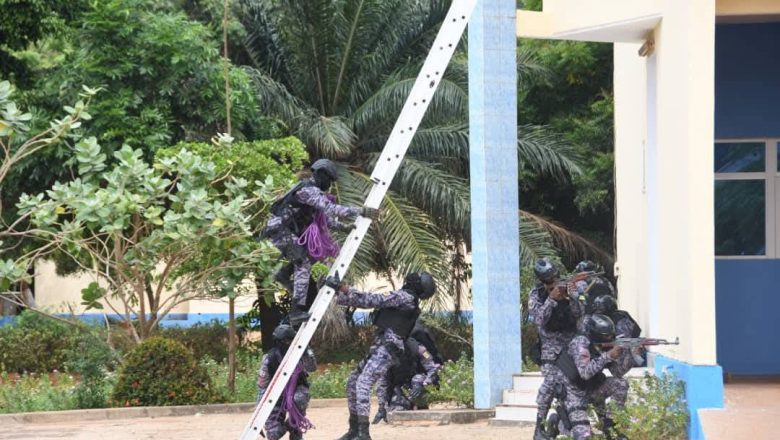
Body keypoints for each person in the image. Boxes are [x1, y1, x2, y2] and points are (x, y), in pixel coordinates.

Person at [261, 159, 379, 325]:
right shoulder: (308, 190)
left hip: (285, 231)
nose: (329, 185)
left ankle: (284, 273)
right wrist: (361, 211)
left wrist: (343, 227)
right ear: (321, 175)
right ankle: (296, 312)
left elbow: (323, 218)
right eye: (329, 180)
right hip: (280, 230)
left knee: (312, 256)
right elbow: (331, 209)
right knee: (302, 263)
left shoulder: (313, 191)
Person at [331, 272, 436, 440]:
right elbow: (363, 300)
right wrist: (339, 293)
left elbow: (373, 300)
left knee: (363, 383)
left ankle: (363, 434)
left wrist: (342, 288)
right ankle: (354, 429)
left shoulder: (405, 297)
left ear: (417, 286)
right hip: (379, 347)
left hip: (387, 350)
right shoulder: (406, 298)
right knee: (352, 382)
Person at [528, 258, 586, 440]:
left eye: (554, 280)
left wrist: (572, 295)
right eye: (548, 282)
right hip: (550, 352)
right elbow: (538, 320)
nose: (552, 284)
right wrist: (552, 299)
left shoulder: (568, 288)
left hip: (571, 349)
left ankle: (565, 424)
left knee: (573, 388)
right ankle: (539, 427)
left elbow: (580, 313)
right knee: (550, 386)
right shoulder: (537, 295)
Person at [558, 314, 633, 440]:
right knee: (584, 436)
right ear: (595, 333)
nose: (609, 338)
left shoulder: (602, 345)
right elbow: (585, 373)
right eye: (606, 336)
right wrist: (608, 355)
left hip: (593, 389)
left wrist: (631, 354)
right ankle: (559, 423)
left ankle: (610, 427)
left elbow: (618, 372)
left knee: (620, 384)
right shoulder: (580, 343)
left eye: (611, 335)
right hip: (575, 394)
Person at [256, 324, 317, 440]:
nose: (287, 343)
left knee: (299, 399)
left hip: (297, 389)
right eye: (284, 341)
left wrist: (307, 351)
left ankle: (295, 428)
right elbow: (262, 387)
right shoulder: (269, 359)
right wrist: (258, 418)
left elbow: (312, 368)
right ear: (278, 342)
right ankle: (289, 425)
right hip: (276, 396)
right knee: (273, 434)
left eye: (290, 340)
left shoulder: (300, 352)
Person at [373, 334, 441, 423]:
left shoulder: (419, 349)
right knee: (397, 414)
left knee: (417, 380)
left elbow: (433, 368)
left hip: (420, 384)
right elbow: (382, 382)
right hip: (400, 388)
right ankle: (406, 405)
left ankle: (421, 404)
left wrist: (425, 383)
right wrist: (382, 407)